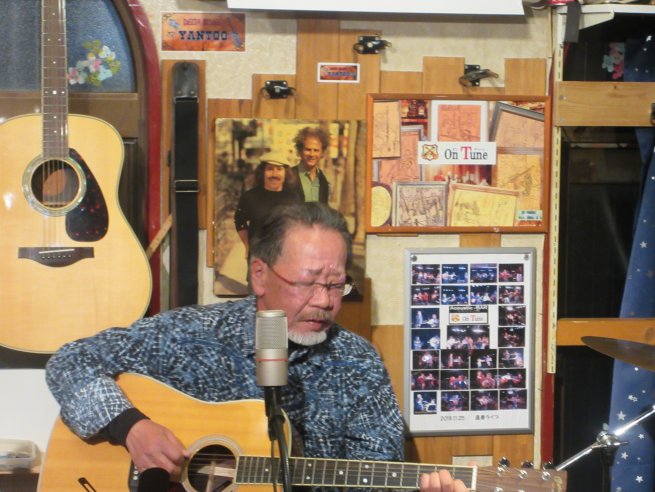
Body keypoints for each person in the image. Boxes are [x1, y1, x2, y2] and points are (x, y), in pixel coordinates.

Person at [45, 202, 467, 492]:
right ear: (260, 276)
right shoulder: (192, 333)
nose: (324, 300)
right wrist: (131, 427)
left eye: (336, 284)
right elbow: (70, 362)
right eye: (308, 283)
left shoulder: (358, 364)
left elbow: (378, 476)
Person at [234, 150, 301, 252]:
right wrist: (247, 246)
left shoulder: (294, 198)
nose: (274, 174)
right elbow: (239, 221)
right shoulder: (249, 197)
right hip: (258, 254)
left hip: (285, 255)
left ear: (286, 173)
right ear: (262, 172)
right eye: (270, 169)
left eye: (279, 169)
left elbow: (298, 227)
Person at [290, 126, 330, 203]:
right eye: (308, 149)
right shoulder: (289, 176)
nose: (312, 154)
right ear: (300, 151)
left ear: (322, 153)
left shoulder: (323, 180)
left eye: (316, 150)